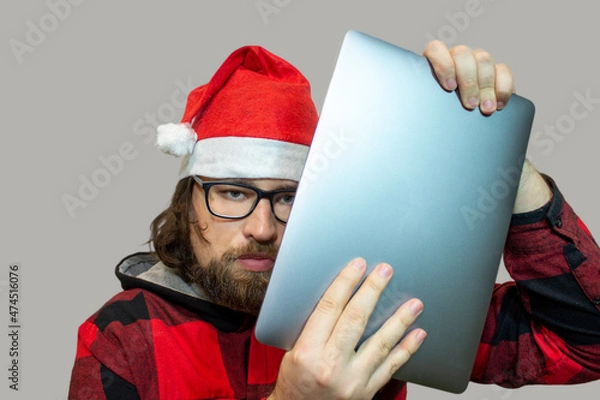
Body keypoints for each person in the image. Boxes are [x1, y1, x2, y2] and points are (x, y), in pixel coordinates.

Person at [68, 40, 600, 400]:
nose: (261, 227)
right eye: (232, 193)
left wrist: (501, 155)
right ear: (186, 204)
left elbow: (585, 343)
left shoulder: (371, 304)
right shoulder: (123, 336)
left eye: (290, 198)